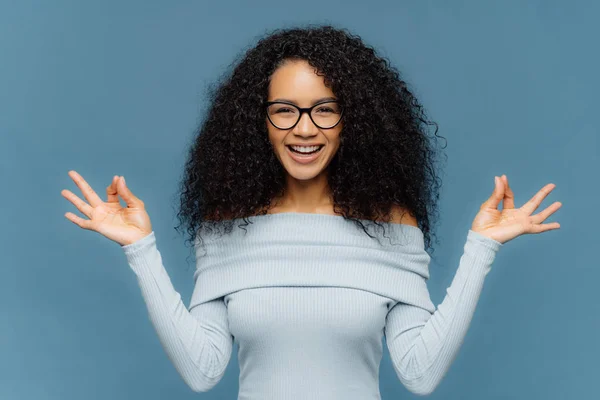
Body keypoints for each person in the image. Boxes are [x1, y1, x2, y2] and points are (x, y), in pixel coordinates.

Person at [61, 25, 561, 399]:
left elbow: (420, 372)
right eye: (286, 110)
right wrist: (141, 251)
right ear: (260, 122)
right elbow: (202, 370)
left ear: (352, 121)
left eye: (325, 109)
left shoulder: (393, 228)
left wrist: (481, 248)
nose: (305, 129)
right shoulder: (227, 229)